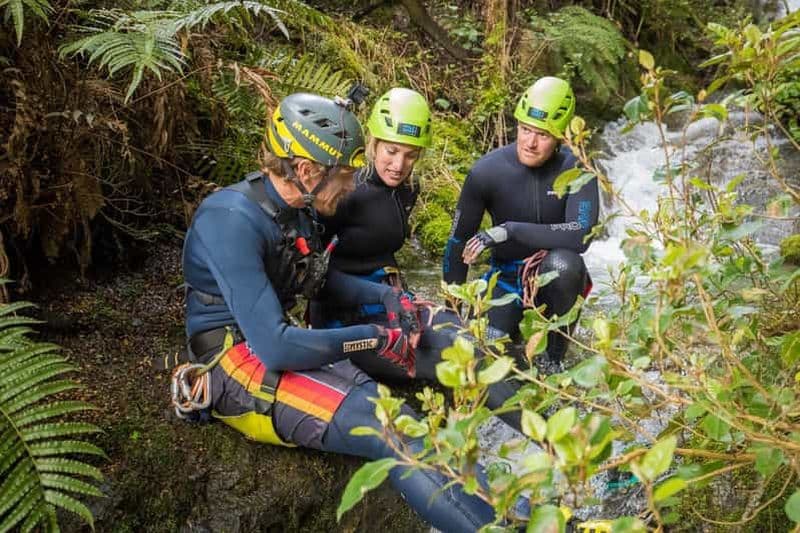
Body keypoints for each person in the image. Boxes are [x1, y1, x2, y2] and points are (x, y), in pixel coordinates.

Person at [178, 92, 522, 531]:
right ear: (306, 171)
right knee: (390, 431)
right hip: (235, 362)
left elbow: (314, 279)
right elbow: (277, 347)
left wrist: (383, 299)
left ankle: (518, 516)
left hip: (271, 341)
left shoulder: (294, 209)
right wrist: (374, 336)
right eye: (344, 175)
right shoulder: (230, 220)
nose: (352, 186)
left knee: (409, 424)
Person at [442, 76, 599, 369]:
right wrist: (452, 309)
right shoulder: (487, 172)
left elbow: (581, 235)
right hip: (506, 280)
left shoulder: (576, 167)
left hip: (555, 279)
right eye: (525, 130)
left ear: (561, 136)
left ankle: (553, 362)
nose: (530, 142)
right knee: (481, 352)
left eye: (542, 135)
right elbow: (457, 242)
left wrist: (509, 230)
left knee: (564, 264)